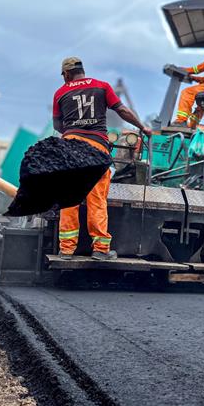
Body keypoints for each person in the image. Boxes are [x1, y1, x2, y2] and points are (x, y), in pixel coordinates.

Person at [52, 57, 151, 260]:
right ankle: (100, 250)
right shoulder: (102, 86)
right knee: (96, 199)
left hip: (70, 147)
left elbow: (57, 125)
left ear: (67, 74)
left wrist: (72, 131)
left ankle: (66, 250)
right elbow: (122, 110)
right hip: (96, 148)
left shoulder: (60, 93)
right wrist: (143, 127)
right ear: (82, 71)